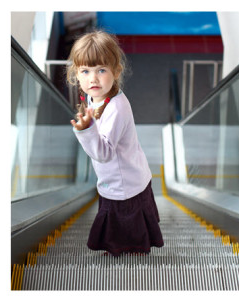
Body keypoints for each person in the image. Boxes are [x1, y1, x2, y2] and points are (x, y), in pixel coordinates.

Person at [67, 30, 164, 256]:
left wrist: (85, 130)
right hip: (121, 177)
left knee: (125, 230)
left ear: (116, 71)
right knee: (120, 225)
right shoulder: (96, 96)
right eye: (85, 71)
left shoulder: (116, 109)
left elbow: (104, 153)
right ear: (76, 75)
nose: (93, 78)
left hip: (124, 184)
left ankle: (130, 251)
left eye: (101, 70)